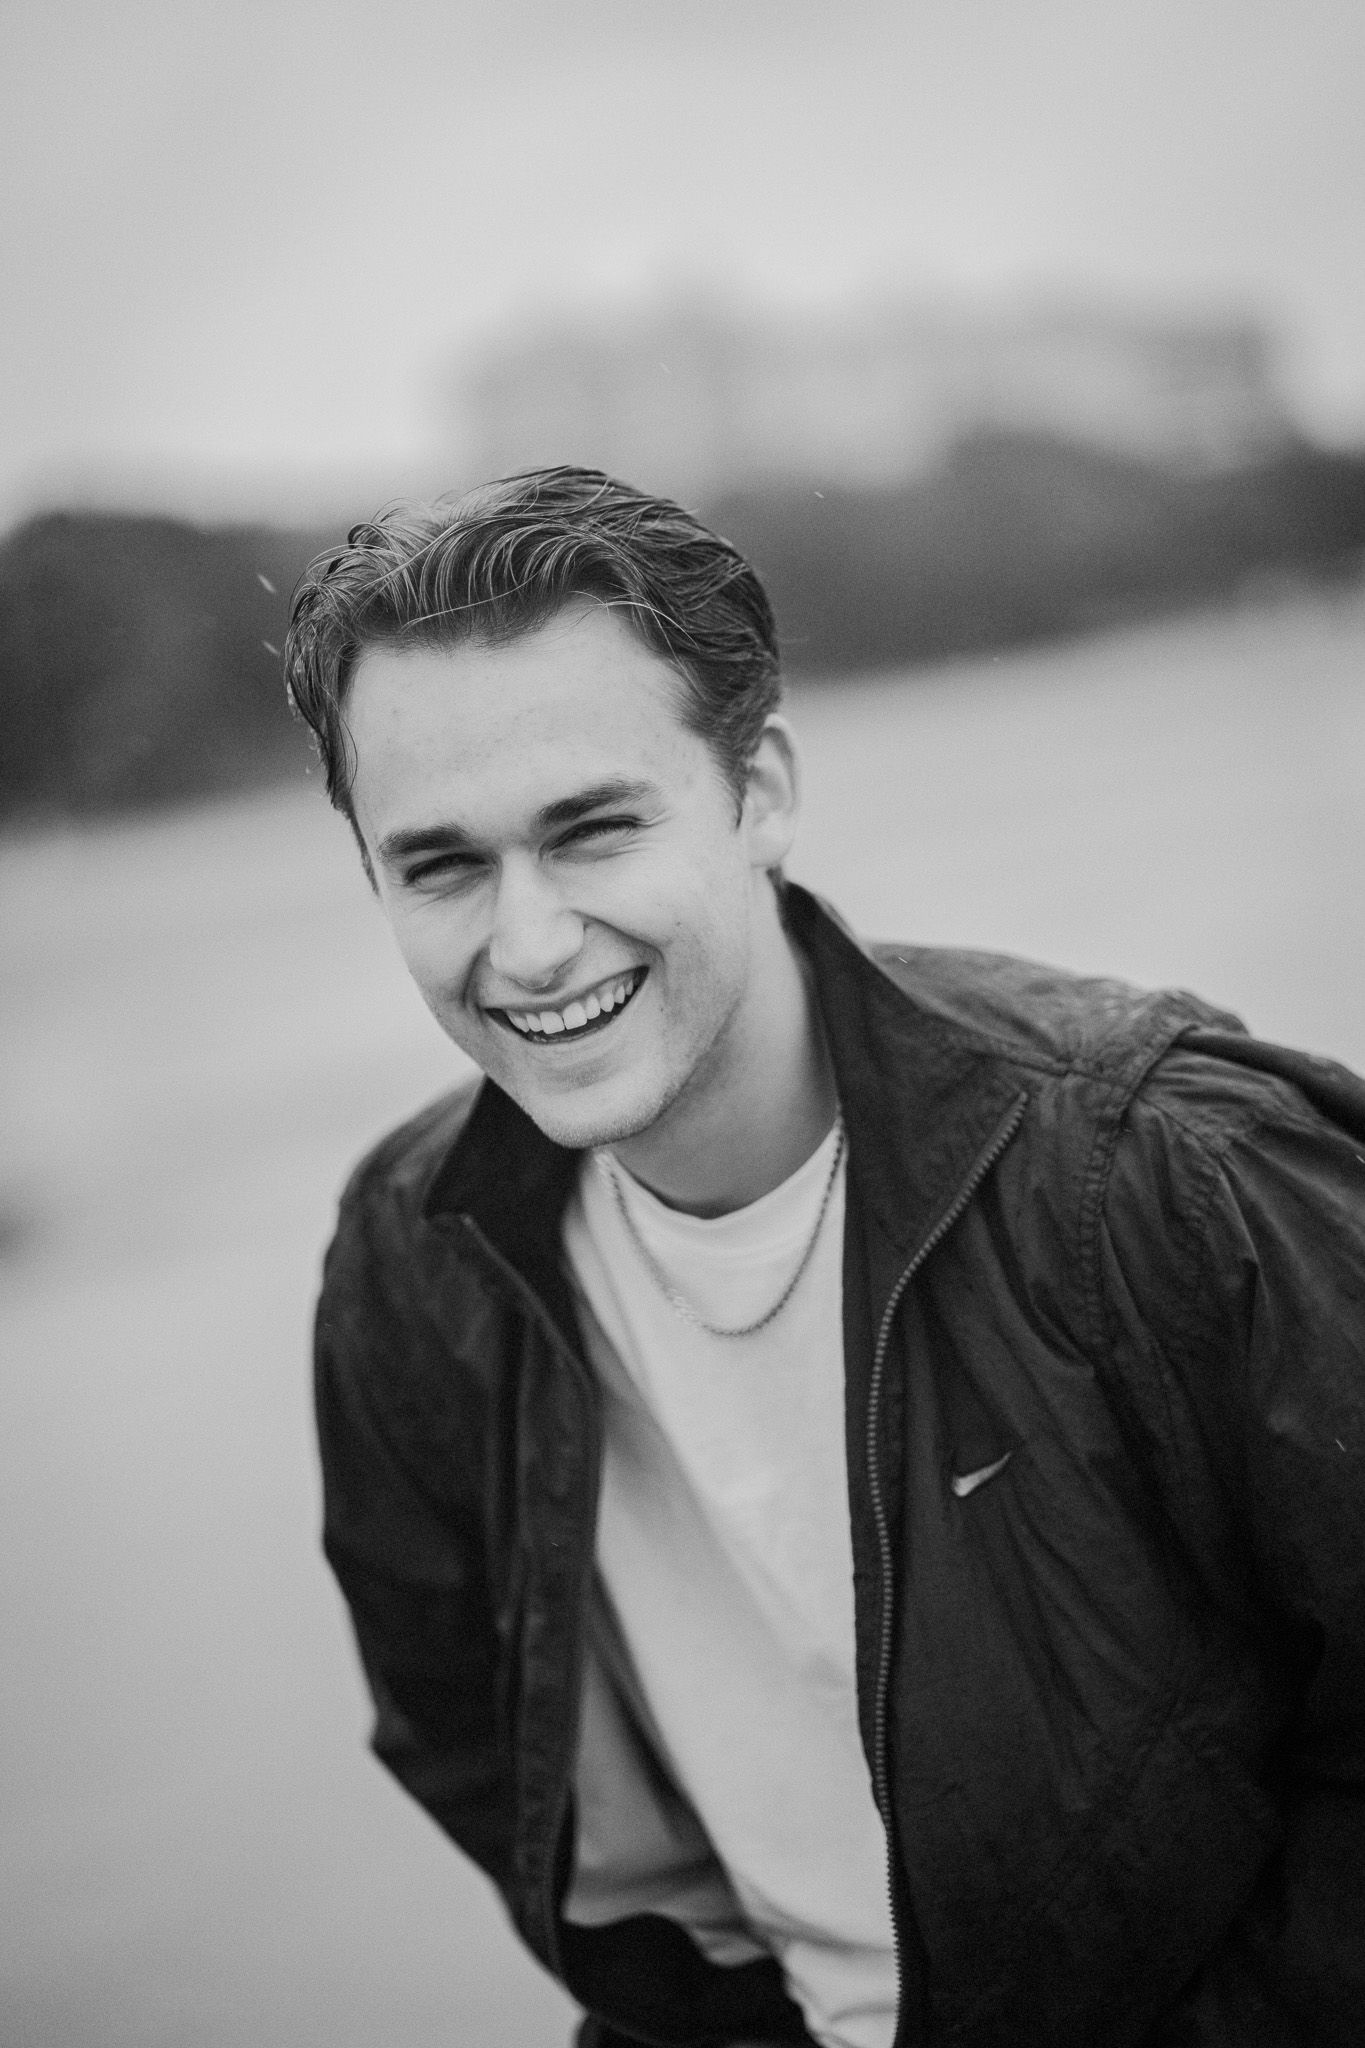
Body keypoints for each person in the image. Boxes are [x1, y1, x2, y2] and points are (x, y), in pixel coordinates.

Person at [283, 466, 1365, 2048]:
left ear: (761, 793)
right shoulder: (410, 1258)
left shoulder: (1164, 1173)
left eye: (592, 828)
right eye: (441, 865)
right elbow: (476, 1748)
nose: (526, 943)